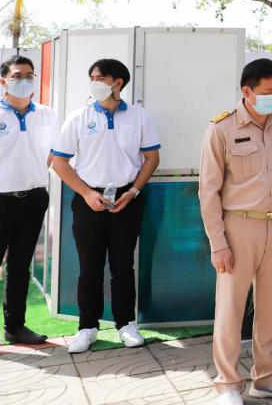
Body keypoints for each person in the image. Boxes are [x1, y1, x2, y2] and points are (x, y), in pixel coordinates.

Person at [198, 58, 272, 405]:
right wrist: (218, 243)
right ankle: (228, 384)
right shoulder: (221, 129)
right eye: (267, 91)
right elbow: (209, 191)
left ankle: (266, 378)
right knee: (230, 309)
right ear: (247, 91)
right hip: (239, 227)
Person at [51, 59, 161, 354]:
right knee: (89, 267)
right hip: (88, 200)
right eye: (91, 78)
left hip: (127, 199)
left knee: (123, 266)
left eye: (99, 78)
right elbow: (60, 163)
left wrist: (134, 191)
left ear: (118, 83)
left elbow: (152, 158)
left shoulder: (140, 117)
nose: (93, 83)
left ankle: (126, 324)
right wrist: (86, 193)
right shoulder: (78, 117)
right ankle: (87, 327)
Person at [0, 56, 55, 361]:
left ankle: (16, 326)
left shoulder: (47, 115)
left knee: (20, 266)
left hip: (33, 199)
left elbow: (53, 154)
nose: (24, 80)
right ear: (3, 81)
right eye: (17, 75)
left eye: (29, 75)